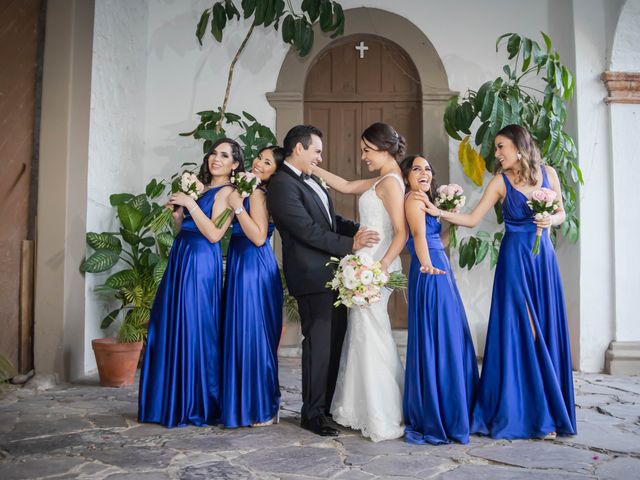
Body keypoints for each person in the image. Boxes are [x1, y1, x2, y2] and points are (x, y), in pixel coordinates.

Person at [414, 124, 576, 439]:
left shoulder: (549, 173)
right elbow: (473, 219)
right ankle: (538, 415)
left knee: (544, 327)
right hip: (515, 260)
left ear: (519, 146)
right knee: (526, 330)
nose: (497, 153)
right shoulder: (500, 182)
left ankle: (549, 412)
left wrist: (550, 219)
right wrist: (438, 212)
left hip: (543, 259)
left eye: (501, 146)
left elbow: (562, 214)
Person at [266, 124, 379, 437]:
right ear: (299, 149)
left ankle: (327, 408)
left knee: (334, 345)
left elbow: (329, 221)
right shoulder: (281, 185)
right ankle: (312, 414)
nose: (320, 156)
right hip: (311, 276)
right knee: (318, 346)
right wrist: (350, 245)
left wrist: (357, 230)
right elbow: (305, 230)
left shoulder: (311, 179)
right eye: (316, 150)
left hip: (334, 276)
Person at [314, 122, 407, 442]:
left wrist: (378, 269)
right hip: (364, 264)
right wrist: (312, 167)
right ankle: (362, 407)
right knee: (364, 333)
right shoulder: (383, 178)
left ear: (384, 148)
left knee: (372, 334)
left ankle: (382, 412)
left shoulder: (392, 183)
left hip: (376, 268)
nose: (364, 155)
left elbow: (402, 232)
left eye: (368, 150)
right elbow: (345, 185)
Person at [139, 138, 242, 427]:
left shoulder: (229, 192)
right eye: (213, 153)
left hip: (200, 263)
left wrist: (190, 203)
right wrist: (178, 214)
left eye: (224, 155)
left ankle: (194, 402)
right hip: (181, 257)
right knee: (170, 322)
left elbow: (214, 234)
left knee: (193, 325)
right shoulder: (203, 188)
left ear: (234, 164)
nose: (216, 159)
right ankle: (167, 401)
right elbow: (185, 228)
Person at [400, 155, 479, 445]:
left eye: (427, 168)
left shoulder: (427, 202)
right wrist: (425, 264)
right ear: (407, 175)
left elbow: (439, 240)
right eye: (416, 168)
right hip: (429, 269)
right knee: (439, 334)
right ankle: (439, 411)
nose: (424, 172)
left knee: (449, 332)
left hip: (438, 263)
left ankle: (452, 405)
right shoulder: (413, 200)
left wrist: (452, 221)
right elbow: (419, 236)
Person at [221, 146, 284, 428]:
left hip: (253, 267)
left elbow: (259, 237)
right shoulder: (248, 188)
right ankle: (244, 403)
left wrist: (237, 205)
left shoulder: (258, 193)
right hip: (241, 263)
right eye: (259, 157)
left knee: (253, 336)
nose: (259, 163)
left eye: (267, 162)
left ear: (275, 172)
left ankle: (263, 407)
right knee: (241, 334)